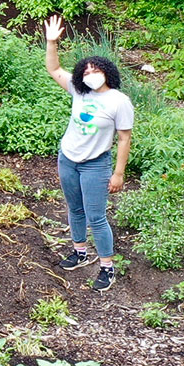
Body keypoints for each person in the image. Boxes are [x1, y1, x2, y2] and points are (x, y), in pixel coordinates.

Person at [43, 16, 133, 292]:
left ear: (107, 72)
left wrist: (119, 173)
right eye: (86, 71)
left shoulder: (119, 101)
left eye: (96, 70)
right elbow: (54, 68)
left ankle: (107, 266)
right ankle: (79, 251)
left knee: (97, 216)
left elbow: (124, 138)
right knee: (75, 208)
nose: (90, 75)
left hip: (95, 165)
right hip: (68, 158)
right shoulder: (79, 92)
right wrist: (51, 42)